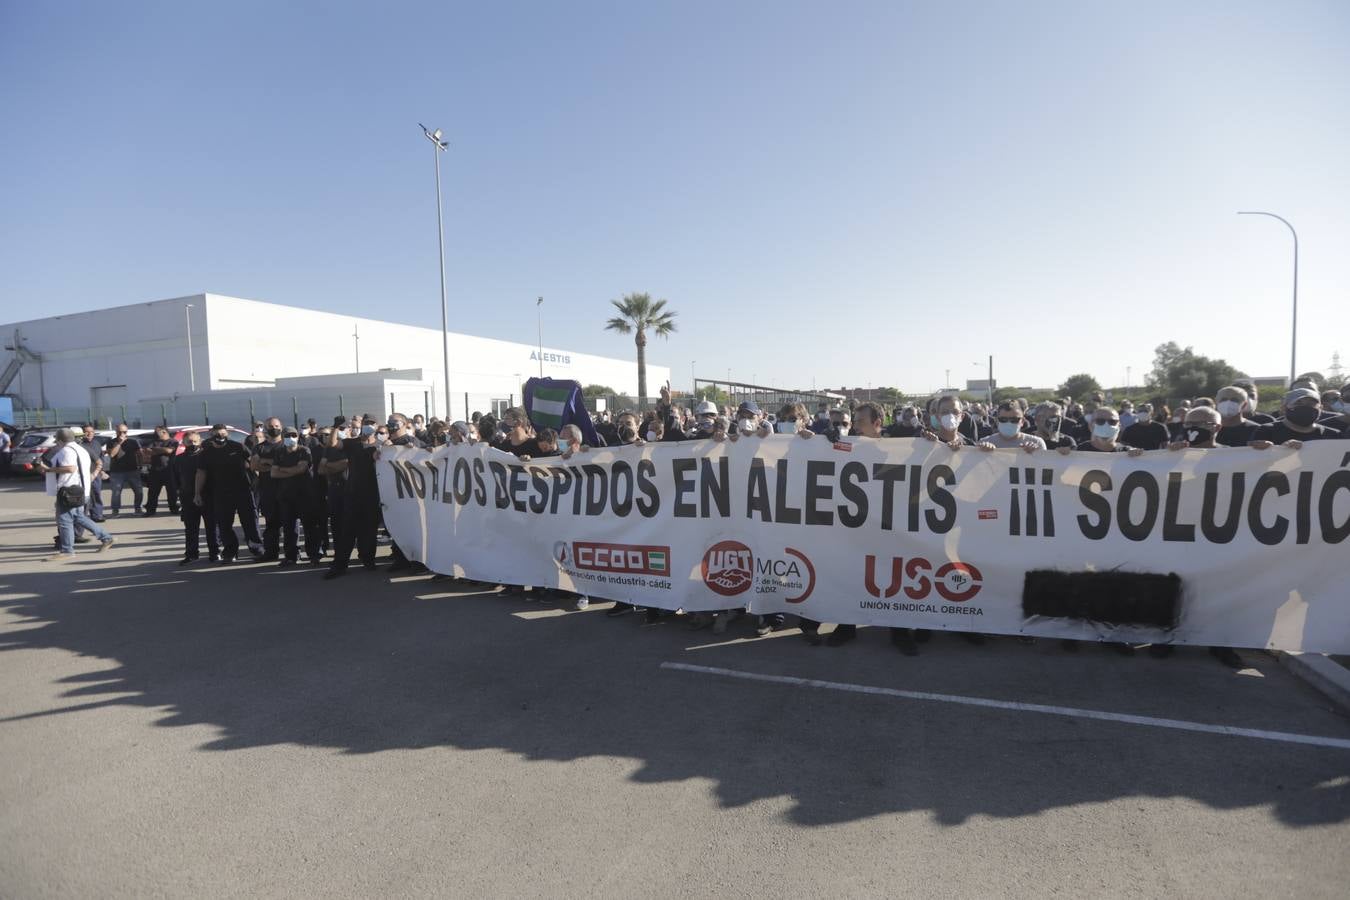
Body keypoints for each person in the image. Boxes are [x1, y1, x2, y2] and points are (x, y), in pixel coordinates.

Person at [36, 428, 115, 560]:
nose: (57, 443)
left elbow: (70, 468)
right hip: (82, 490)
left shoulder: (66, 451)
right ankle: (106, 538)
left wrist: (48, 469)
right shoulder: (81, 449)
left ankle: (67, 550)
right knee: (79, 517)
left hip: (69, 491)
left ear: (60, 440)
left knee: (64, 520)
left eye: (57, 441)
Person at [195, 424, 263, 564]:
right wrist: (197, 493)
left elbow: (253, 463)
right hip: (220, 493)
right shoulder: (206, 453)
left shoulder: (237, 447)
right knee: (224, 524)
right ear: (211, 436)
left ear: (227, 434)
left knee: (250, 520)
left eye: (223, 434)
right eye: (217, 435)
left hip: (243, 490)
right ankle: (230, 552)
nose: (220, 437)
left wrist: (258, 480)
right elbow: (201, 473)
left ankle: (256, 548)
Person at [324, 419, 381, 579]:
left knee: (369, 530)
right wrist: (335, 427)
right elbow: (333, 444)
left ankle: (368, 559)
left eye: (372, 423)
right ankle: (340, 565)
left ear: (377, 427)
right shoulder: (352, 443)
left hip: (372, 494)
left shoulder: (381, 444)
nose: (369, 426)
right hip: (352, 493)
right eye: (366, 423)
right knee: (347, 531)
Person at [266, 426, 317, 567]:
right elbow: (273, 473)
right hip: (286, 496)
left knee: (309, 526)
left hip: (304, 495)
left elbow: (301, 469)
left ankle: (313, 555)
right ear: (283, 437)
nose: (291, 438)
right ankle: (291, 556)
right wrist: (291, 470)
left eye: (293, 435)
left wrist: (282, 469)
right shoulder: (280, 452)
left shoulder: (304, 450)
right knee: (289, 529)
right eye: (288, 435)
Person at [173, 430, 218, 564]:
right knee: (191, 528)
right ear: (184, 443)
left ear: (200, 442)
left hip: (208, 496)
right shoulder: (178, 459)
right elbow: (175, 479)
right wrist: (178, 494)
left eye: (195, 441)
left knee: (212, 526)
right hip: (187, 497)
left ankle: (214, 553)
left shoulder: (207, 457)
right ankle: (191, 554)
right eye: (189, 442)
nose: (192, 444)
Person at [251, 417, 287, 562]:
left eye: (276, 425)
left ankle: (292, 554)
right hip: (268, 491)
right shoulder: (259, 447)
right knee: (271, 525)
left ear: (281, 426)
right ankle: (271, 553)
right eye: (270, 426)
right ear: (265, 428)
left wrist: (266, 462)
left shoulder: (286, 445)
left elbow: (289, 463)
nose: (274, 428)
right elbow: (254, 466)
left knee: (291, 525)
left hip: (287, 490)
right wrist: (277, 465)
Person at [1251, 388, 1338, 447]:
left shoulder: (1333, 435)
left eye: (1311, 404)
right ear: (1284, 408)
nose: (1305, 407)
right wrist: (1279, 450)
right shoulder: (1266, 431)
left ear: (1321, 408)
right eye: (1298, 403)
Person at [141, 424, 181, 516]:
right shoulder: (154, 442)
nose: (155, 433)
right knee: (153, 492)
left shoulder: (173, 441)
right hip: (155, 470)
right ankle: (150, 510)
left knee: (172, 491)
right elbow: (147, 451)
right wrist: (162, 450)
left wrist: (155, 450)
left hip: (169, 469)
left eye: (157, 431)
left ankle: (174, 508)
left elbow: (169, 451)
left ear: (164, 431)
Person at [105, 423, 144, 515]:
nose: (122, 434)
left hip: (132, 470)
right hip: (117, 471)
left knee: (138, 491)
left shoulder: (133, 442)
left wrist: (140, 465)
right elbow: (112, 454)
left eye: (125, 432)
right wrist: (119, 443)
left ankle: (138, 508)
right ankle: (115, 511)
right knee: (116, 492)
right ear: (116, 432)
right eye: (120, 432)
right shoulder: (111, 442)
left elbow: (140, 454)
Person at [1077, 408, 1145, 456]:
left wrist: (1138, 454)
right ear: (1090, 426)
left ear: (1119, 427)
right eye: (1100, 421)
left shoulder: (1128, 452)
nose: (1106, 426)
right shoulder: (1077, 451)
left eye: (1112, 422)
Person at [77, 424, 108, 522]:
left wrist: (102, 471)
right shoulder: (79, 444)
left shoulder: (96, 443)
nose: (89, 433)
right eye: (86, 431)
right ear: (82, 433)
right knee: (84, 496)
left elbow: (101, 457)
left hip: (96, 474)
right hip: (83, 475)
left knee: (96, 494)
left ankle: (97, 515)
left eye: (91, 431)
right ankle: (83, 517)